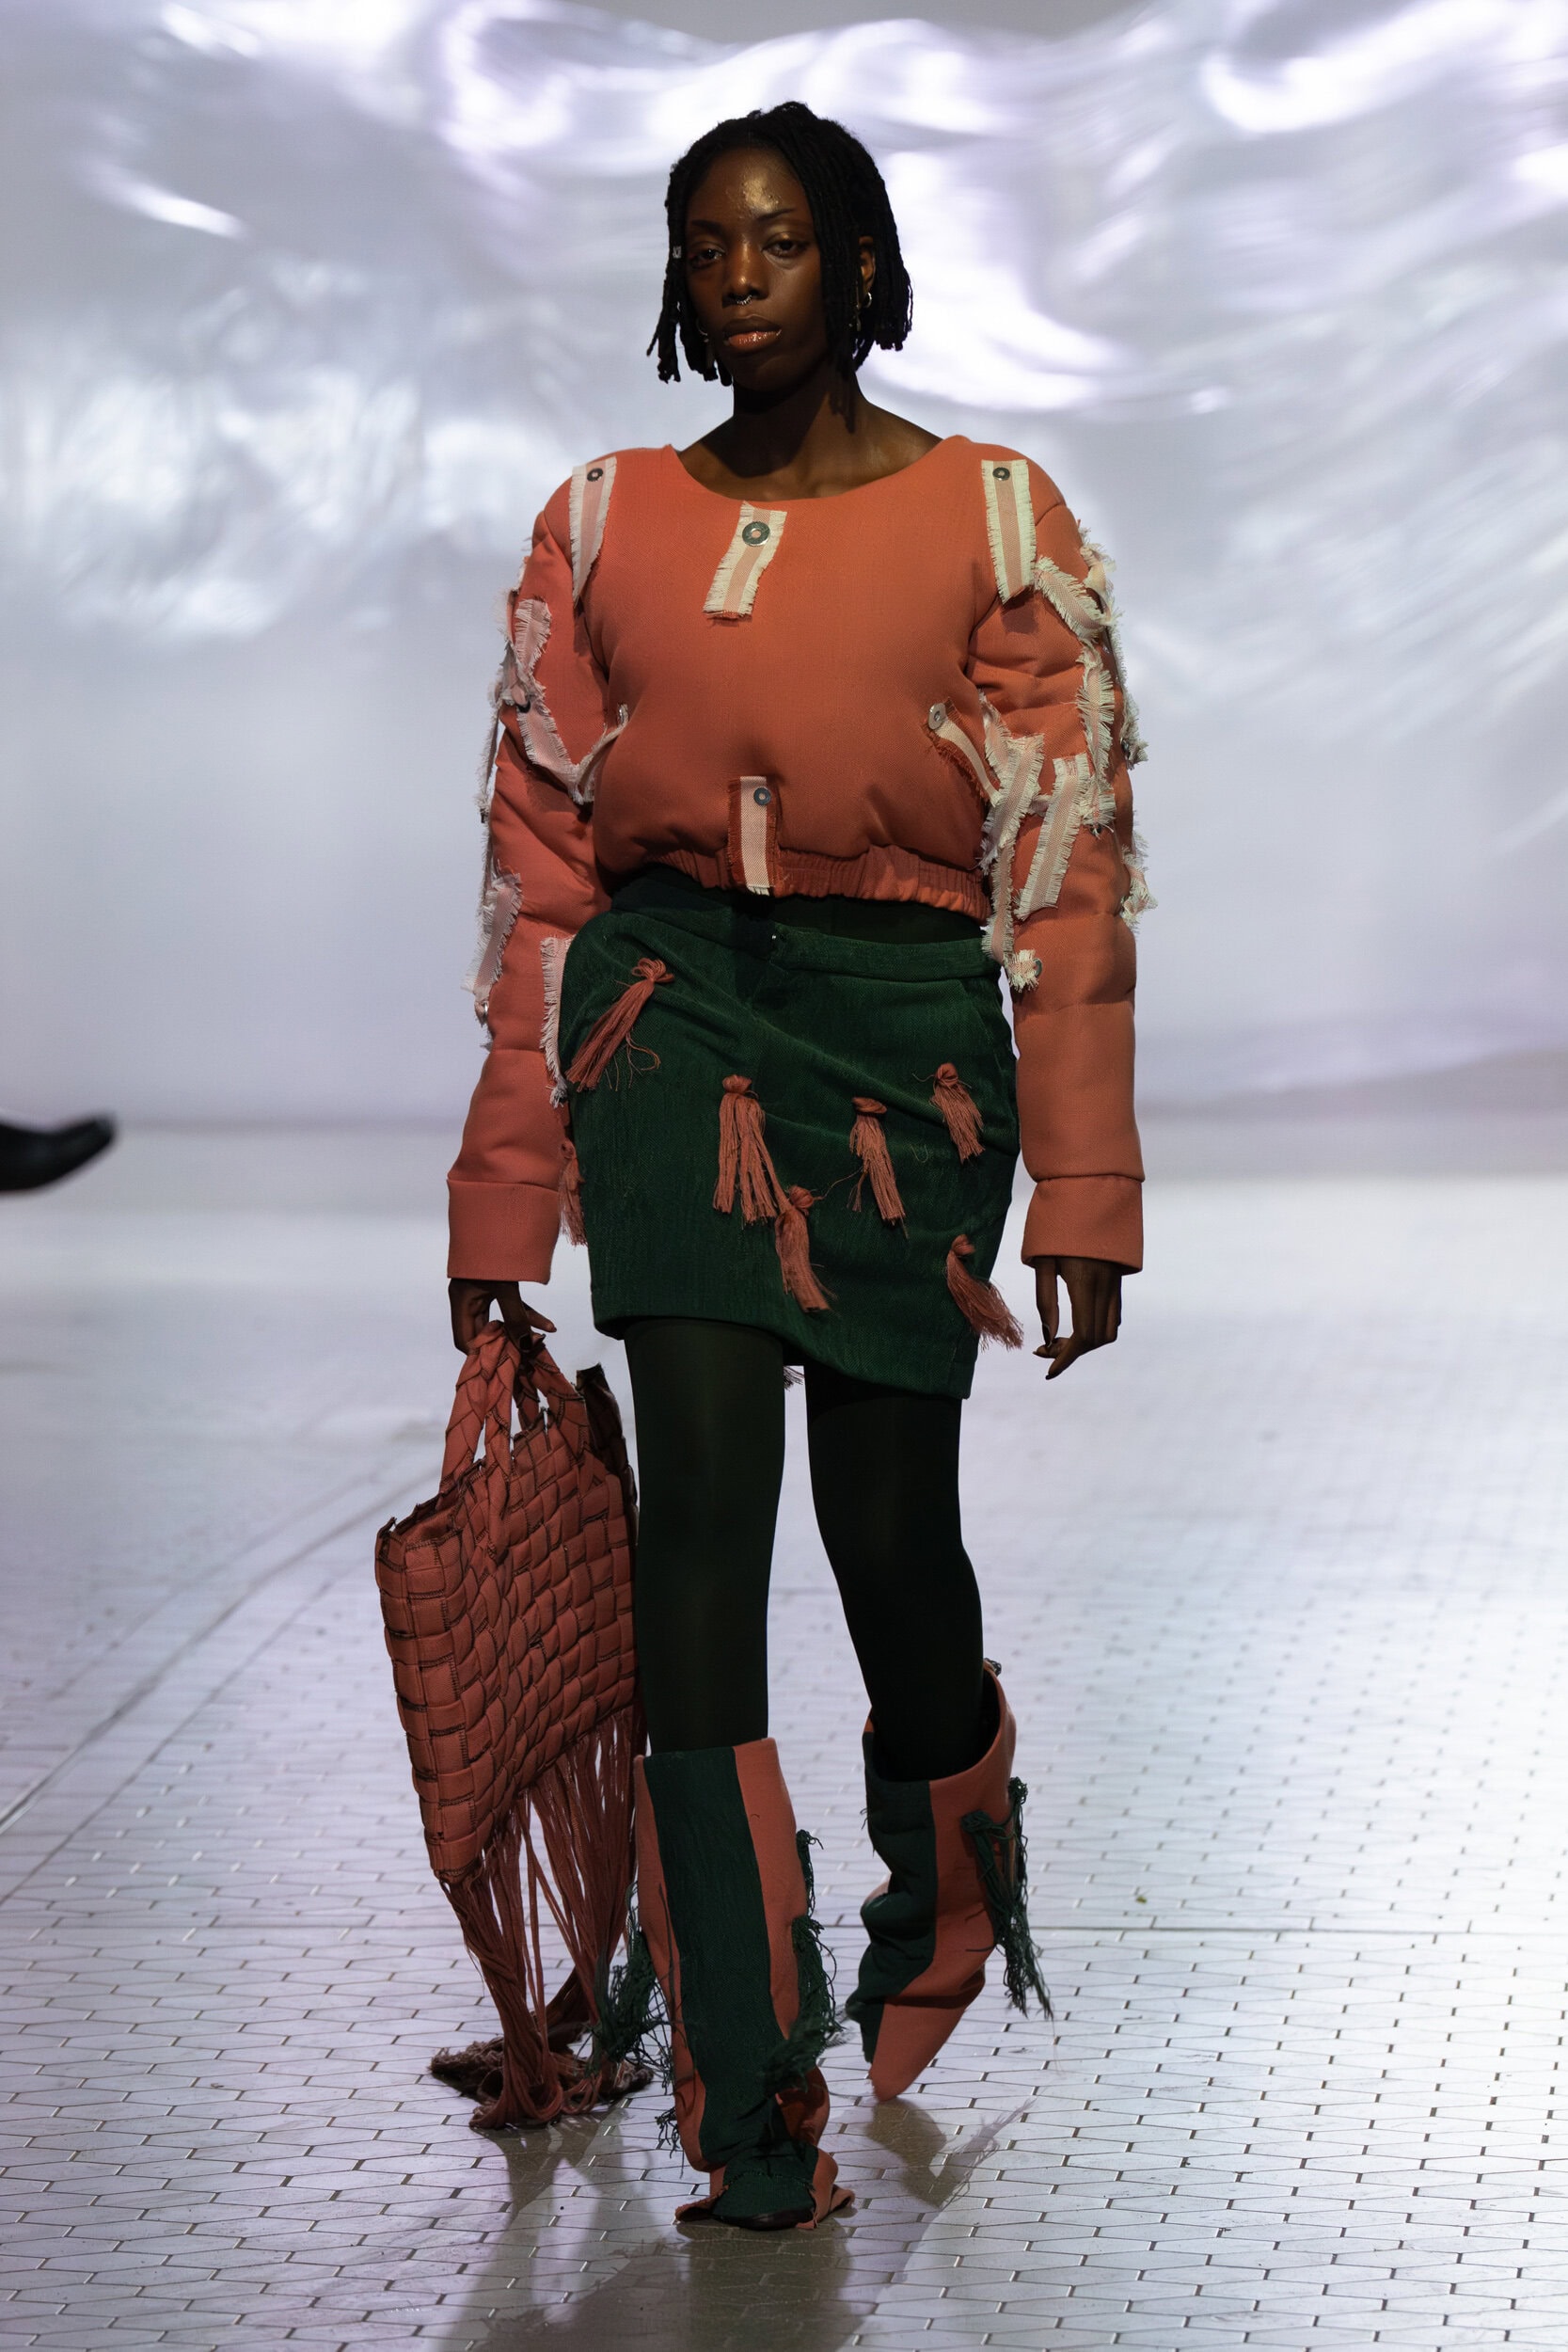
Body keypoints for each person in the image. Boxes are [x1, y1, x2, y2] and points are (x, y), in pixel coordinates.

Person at [445, 101, 1148, 2233]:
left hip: (906, 1058)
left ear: (859, 264)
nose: (736, 277)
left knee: (889, 1538)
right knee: (698, 1536)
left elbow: (1069, 866)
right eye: (702, 245)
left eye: (776, 240)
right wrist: (505, 1193)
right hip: (672, 1034)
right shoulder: (603, 520)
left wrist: (1086, 1190)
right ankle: (752, 2096)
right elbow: (540, 870)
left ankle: (949, 1867)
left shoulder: (996, 517)